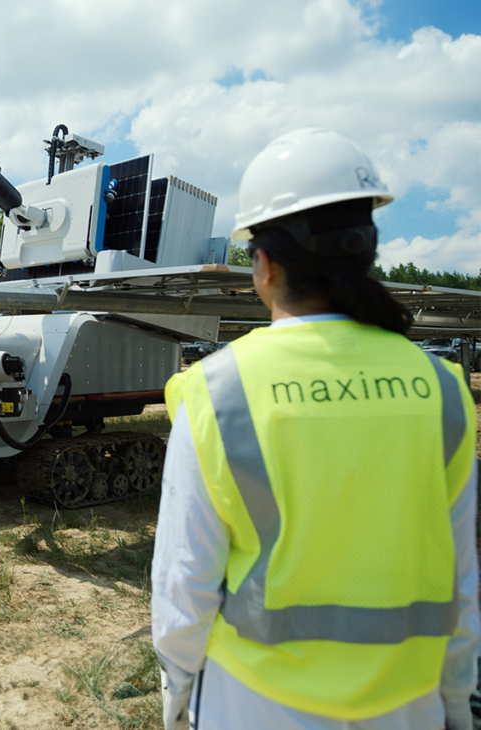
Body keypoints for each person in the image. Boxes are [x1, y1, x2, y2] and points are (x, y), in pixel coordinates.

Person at [151, 128, 480, 730]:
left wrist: (177, 689)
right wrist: (455, 701)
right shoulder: (442, 389)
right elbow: (462, 580)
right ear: (367, 250)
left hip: (254, 702)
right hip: (409, 702)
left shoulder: (219, 391)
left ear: (265, 263)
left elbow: (184, 583)